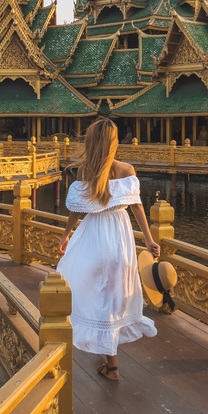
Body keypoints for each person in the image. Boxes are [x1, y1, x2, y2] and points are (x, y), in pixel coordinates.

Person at [57, 117, 159, 381]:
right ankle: (111, 364)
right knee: (114, 297)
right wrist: (149, 240)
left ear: (90, 142)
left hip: (92, 235)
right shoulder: (127, 170)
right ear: (114, 143)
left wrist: (66, 236)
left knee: (91, 291)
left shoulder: (84, 171)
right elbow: (136, 207)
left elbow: (75, 210)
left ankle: (109, 361)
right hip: (119, 237)